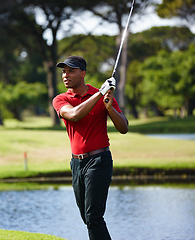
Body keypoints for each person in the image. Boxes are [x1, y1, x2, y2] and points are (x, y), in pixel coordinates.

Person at [52, 56, 128, 240]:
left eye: (71, 71)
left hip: (99, 161)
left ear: (83, 73)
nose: (65, 75)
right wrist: (100, 94)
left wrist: (109, 108)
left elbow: (124, 127)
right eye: (63, 71)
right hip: (76, 164)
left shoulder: (102, 95)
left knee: (94, 217)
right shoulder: (61, 99)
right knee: (87, 218)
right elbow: (74, 115)